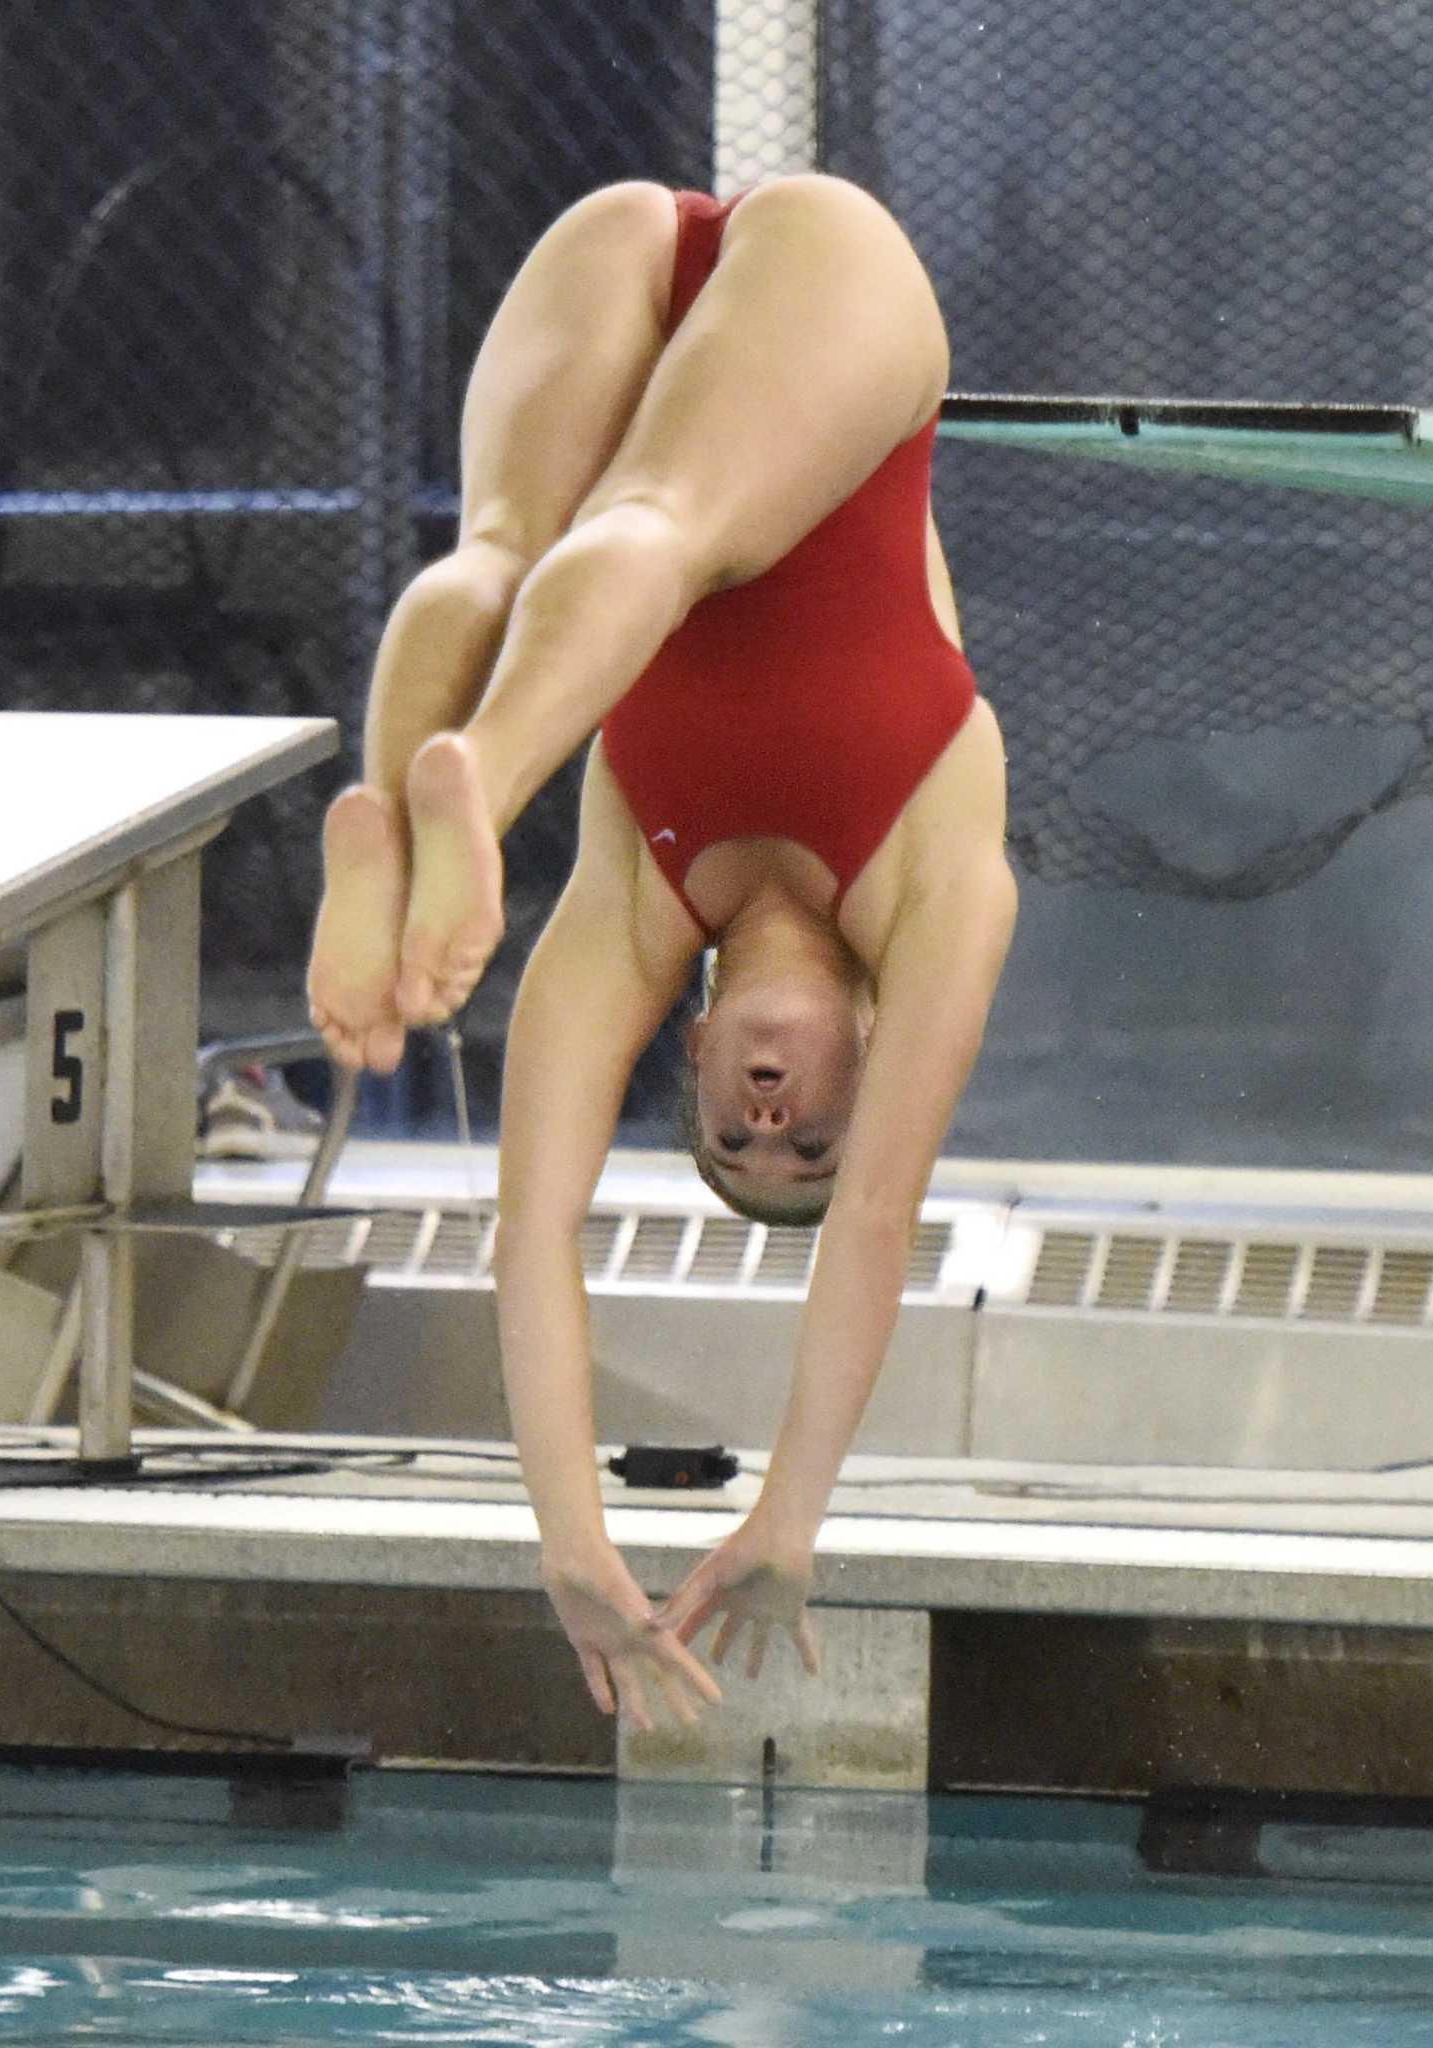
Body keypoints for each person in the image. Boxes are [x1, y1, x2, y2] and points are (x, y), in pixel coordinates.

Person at [306, 175, 1016, 1735]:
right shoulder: (934, 891)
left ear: (684, 1054)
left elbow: (531, 1236)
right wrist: (786, 1517)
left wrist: (572, 1545)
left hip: (619, 247)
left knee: (505, 546)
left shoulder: (634, 909)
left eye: (728, 1135)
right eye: (804, 1132)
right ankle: (466, 794)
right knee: (652, 525)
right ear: (870, 1058)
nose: (767, 1116)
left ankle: (417, 807)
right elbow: (875, 1224)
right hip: (833, 288)